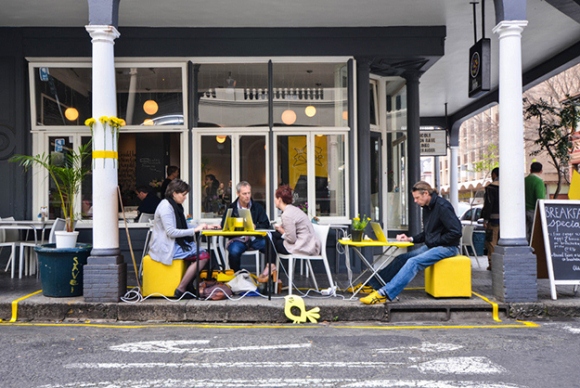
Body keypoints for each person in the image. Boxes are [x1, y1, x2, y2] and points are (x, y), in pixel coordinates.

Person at [361, 181, 462, 305]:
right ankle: (372, 285)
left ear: (426, 193)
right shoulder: (427, 207)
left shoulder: (443, 207)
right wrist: (410, 239)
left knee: (413, 262)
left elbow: (456, 232)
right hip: (434, 245)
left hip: (448, 247)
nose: (415, 201)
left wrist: (435, 241)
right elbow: (427, 234)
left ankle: (385, 293)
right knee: (401, 258)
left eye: (417, 198)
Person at [148, 179, 219, 299]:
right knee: (203, 256)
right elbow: (171, 232)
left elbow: (184, 225)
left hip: (174, 244)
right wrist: (194, 230)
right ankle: (181, 288)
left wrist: (205, 226)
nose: (185, 198)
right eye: (183, 194)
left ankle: (188, 286)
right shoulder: (166, 207)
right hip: (166, 247)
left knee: (201, 254)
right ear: (174, 193)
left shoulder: (175, 205)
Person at [220, 181, 270, 272]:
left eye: (249, 193)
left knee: (270, 246)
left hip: (255, 239)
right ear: (238, 194)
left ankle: (268, 275)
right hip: (238, 239)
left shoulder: (257, 207)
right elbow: (224, 226)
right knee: (234, 251)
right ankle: (238, 275)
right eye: (244, 193)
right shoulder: (231, 208)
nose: (247, 196)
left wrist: (256, 226)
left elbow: (266, 224)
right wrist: (236, 225)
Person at [272, 184, 321, 256]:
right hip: (309, 244)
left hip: (304, 246)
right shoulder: (293, 209)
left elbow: (292, 239)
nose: (274, 200)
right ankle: (271, 265)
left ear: (279, 199)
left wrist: (280, 229)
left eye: (275, 198)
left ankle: (271, 265)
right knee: (273, 236)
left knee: (272, 241)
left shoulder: (286, 214)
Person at [481, 167, 499, 271]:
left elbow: (488, 205)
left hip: (493, 219)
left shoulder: (490, 188)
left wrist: (485, 220)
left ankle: (492, 264)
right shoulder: (508, 186)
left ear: (494, 175)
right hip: (507, 222)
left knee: (491, 242)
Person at [525, 161, 546, 242]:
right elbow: (540, 198)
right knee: (534, 234)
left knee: (525, 233)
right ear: (541, 171)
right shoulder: (539, 181)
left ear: (530, 170)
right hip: (534, 210)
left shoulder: (524, 180)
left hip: (523, 211)